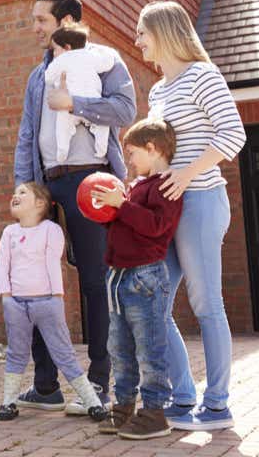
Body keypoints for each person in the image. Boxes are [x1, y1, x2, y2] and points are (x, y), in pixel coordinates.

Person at [14, 0, 137, 415]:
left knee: (94, 282)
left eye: (41, 20)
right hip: (47, 186)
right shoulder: (36, 76)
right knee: (37, 284)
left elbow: (125, 110)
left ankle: (101, 381)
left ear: (65, 22)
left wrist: (75, 103)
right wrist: (25, 189)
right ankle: (45, 385)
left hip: (91, 180)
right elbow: (28, 134)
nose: (35, 28)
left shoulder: (105, 61)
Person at [134, 1, 246, 431]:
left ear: (163, 32)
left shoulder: (203, 75)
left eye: (143, 32)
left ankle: (216, 404)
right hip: (167, 208)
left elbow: (232, 134)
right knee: (153, 304)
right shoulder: (158, 90)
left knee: (206, 304)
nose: (139, 40)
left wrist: (185, 174)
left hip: (200, 201)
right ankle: (183, 396)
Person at [91, 118, 182, 439]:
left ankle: (155, 411)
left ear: (152, 148)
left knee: (149, 347)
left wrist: (123, 205)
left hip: (145, 277)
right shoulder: (134, 187)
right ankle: (123, 406)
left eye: (131, 153)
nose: (129, 161)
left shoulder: (166, 185)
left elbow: (157, 227)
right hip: (117, 276)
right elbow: (123, 225)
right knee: (120, 347)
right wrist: (107, 212)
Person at [0, 182, 107, 423]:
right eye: (15, 192)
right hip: (16, 304)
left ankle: (92, 402)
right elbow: (2, 264)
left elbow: (53, 264)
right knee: (17, 352)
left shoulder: (50, 230)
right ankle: (8, 402)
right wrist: (6, 296)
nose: (15, 195)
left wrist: (57, 297)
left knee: (63, 353)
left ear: (40, 203)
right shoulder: (9, 233)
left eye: (23, 192)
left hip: (47, 302)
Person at [45, 23, 115, 162]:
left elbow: (48, 77)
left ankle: (62, 152)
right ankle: (101, 149)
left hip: (69, 105)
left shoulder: (61, 59)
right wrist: (106, 52)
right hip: (92, 104)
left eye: (55, 49)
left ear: (67, 47)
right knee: (102, 126)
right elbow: (107, 63)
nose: (54, 53)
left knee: (62, 127)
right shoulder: (90, 55)